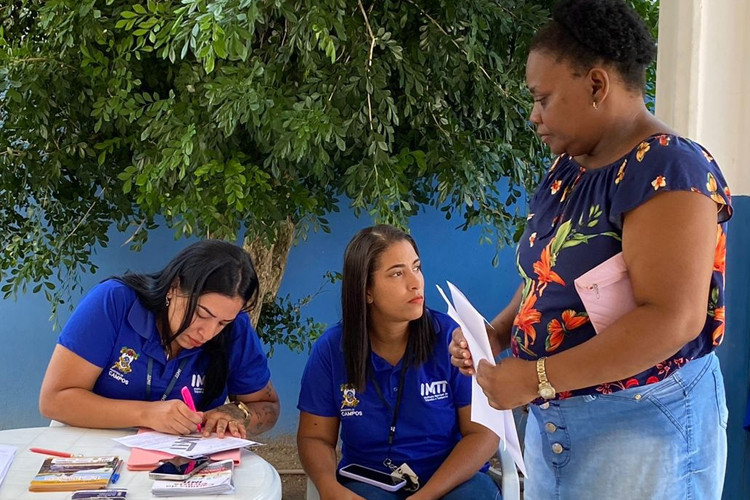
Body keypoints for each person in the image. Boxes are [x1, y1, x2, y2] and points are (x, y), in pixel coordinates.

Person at [449, 1, 731, 499]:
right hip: (560, 425)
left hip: (640, 429)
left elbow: (672, 318)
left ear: (597, 85)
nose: (534, 115)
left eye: (544, 98)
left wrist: (535, 377)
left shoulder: (670, 171)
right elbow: (547, 275)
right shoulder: (573, 166)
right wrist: (497, 333)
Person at [297, 225, 501, 500]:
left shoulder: (451, 340)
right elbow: (315, 438)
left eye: (416, 268)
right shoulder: (332, 349)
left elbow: (482, 434)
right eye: (397, 273)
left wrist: (426, 495)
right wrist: (329, 488)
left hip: (450, 481)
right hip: (369, 481)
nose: (415, 282)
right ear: (366, 290)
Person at [39, 239, 280, 438]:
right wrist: (147, 414)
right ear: (174, 287)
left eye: (222, 323)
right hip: (90, 449)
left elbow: (267, 406)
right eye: (201, 314)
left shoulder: (235, 329)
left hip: (179, 465)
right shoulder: (115, 302)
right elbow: (54, 400)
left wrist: (238, 413)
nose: (207, 333)